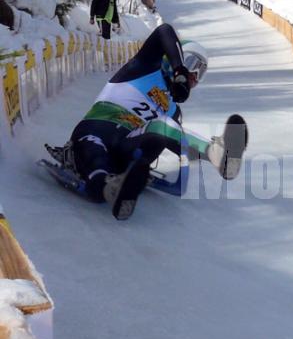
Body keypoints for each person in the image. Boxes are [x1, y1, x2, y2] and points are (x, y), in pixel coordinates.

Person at [52, 23, 210, 220]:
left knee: (167, 126)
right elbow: (164, 31)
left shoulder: (173, 110)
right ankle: (107, 186)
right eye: (193, 65)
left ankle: (215, 151)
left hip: (129, 145)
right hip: (100, 127)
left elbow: (178, 141)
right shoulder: (144, 67)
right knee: (94, 149)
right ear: (173, 56)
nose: (195, 76)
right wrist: (179, 70)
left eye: (201, 73)